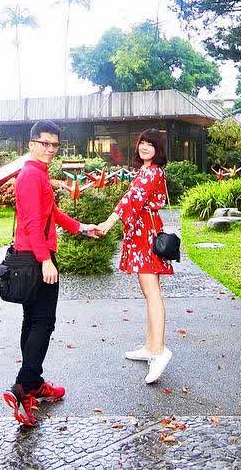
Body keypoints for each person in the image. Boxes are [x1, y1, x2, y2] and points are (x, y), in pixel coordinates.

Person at [2, 120, 101, 427]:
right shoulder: (31, 176)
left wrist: (82, 228)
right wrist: (46, 261)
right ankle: (23, 386)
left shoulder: (38, 174)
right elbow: (32, 223)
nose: (49, 149)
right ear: (31, 144)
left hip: (31, 255)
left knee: (32, 321)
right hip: (36, 256)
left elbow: (52, 214)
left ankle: (34, 384)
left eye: (54, 145)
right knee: (43, 322)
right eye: (44, 143)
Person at [93, 129, 174, 384]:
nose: (145, 147)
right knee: (150, 292)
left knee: (152, 294)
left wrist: (108, 223)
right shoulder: (148, 170)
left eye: (151, 144)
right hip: (143, 233)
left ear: (158, 149)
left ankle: (159, 350)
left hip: (146, 236)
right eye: (142, 143)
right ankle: (151, 346)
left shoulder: (152, 172)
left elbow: (131, 200)